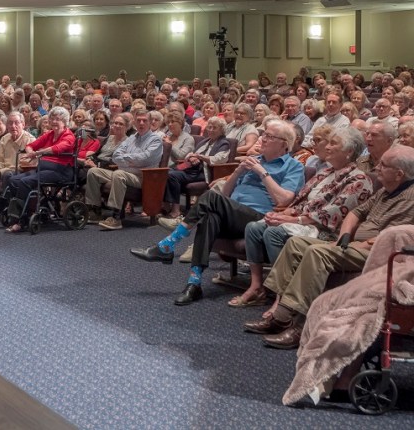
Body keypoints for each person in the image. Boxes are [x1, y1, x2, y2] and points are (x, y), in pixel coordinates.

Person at [244, 145, 414, 349]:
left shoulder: (410, 198)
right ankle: (281, 313)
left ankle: (301, 327)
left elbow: (395, 237)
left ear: (399, 174)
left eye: (383, 165)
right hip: (351, 244)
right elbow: (356, 213)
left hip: (379, 254)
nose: (377, 167)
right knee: (296, 244)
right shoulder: (387, 190)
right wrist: (343, 237)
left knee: (317, 252)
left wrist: (358, 243)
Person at [131, 120, 305, 305]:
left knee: (211, 198)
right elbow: (226, 194)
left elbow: (284, 199)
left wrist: (262, 172)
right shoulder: (255, 161)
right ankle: (194, 283)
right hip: (232, 214)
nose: (263, 139)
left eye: (269, 136)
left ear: (284, 144)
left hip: (259, 218)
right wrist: (237, 172)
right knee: (210, 217)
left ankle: (169, 244)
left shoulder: (293, 166)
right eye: (264, 134)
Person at [230, 127, 373, 307]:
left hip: (326, 231)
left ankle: (281, 296)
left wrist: (292, 219)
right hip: (303, 222)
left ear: (349, 151)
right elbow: (301, 201)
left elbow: (332, 214)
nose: (327, 147)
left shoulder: (358, 179)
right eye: (327, 142)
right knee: (254, 227)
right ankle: (256, 286)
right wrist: (284, 213)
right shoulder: (325, 172)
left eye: (333, 143)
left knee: (273, 233)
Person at [4, 106, 76, 233]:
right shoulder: (49, 134)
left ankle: (22, 220)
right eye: (52, 118)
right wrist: (31, 152)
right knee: (13, 180)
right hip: (43, 169)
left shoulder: (69, 136)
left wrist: (37, 153)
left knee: (25, 182)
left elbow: (57, 149)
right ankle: (23, 211)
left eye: (57, 119)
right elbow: (30, 145)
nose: (54, 121)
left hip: (60, 172)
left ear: (64, 122)